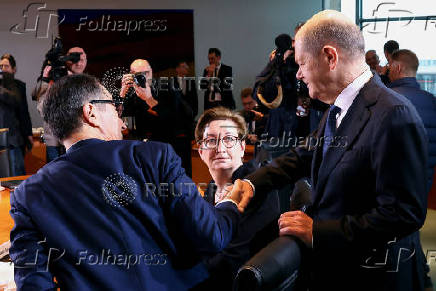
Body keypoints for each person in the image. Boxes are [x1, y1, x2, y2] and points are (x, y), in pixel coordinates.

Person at [234, 10, 428, 291]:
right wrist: (253, 183)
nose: (298, 73)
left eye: (301, 63)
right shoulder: (339, 107)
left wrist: (318, 232)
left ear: (330, 57)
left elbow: (403, 214)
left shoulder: (394, 115)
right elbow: (303, 155)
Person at [9, 74, 251, 290]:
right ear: (91, 112)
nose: (120, 120)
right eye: (114, 108)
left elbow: (32, 283)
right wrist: (230, 204)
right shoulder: (155, 156)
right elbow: (211, 236)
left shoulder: (27, 194)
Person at [193, 107, 279, 289]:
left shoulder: (257, 187)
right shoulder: (210, 188)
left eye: (229, 139)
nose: (220, 148)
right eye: (210, 141)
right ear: (200, 151)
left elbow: (233, 259)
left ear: (242, 148)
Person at [388, 48, 436, 291]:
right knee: (412, 225)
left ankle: (414, 276)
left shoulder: (387, 100)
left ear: (397, 68)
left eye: (388, 66)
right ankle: (422, 274)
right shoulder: (432, 101)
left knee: (399, 231)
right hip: (424, 179)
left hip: (396, 180)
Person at [34, 46, 88, 162]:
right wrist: (46, 81)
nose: (78, 63)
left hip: (80, 140)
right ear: (66, 60)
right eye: (74, 59)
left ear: (86, 61)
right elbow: (42, 109)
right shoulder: (54, 79)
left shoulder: (89, 83)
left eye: (81, 60)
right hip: (55, 143)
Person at [120, 59, 173, 142]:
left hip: (162, 141)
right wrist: (122, 94)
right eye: (139, 74)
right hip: (136, 142)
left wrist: (149, 99)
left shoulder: (165, 87)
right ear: (131, 74)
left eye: (147, 72)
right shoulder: (129, 93)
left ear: (151, 71)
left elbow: (172, 119)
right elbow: (125, 127)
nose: (144, 76)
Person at [0, 53, 33, 176]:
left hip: (14, 139)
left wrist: (28, 133)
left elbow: (23, 112)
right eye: (1, 66)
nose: (3, 69)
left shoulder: (19, 86)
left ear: (13, 69)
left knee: (16, 174)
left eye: (6, 66)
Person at [168, 60, 198, 177]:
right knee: (176, 152)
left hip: (188, 123)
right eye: (183, 66)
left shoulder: (191, 82)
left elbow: (195, 101)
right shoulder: (171, 82)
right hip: (175, 124)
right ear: (177, 69)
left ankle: (189, 176)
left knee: (187, 153)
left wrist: (193, 114)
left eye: (187, 66)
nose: (186, 68)